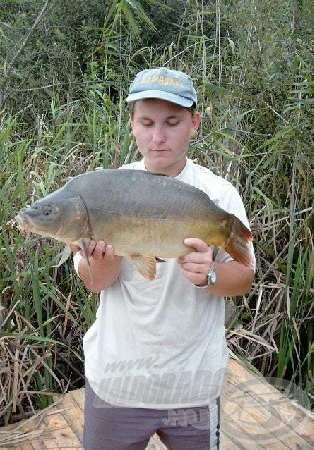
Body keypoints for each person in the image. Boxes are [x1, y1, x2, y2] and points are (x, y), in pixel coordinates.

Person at [71, 67, 255, 450]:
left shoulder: (218, 196)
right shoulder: (104, 189)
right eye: (147, 122)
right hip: (118, 384)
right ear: (132, 125)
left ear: (194, 123)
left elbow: (245, 278)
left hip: (193, 385)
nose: (158, 137)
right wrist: (102, 263)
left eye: (171, 123)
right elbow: (95, 283)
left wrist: (210, 275)